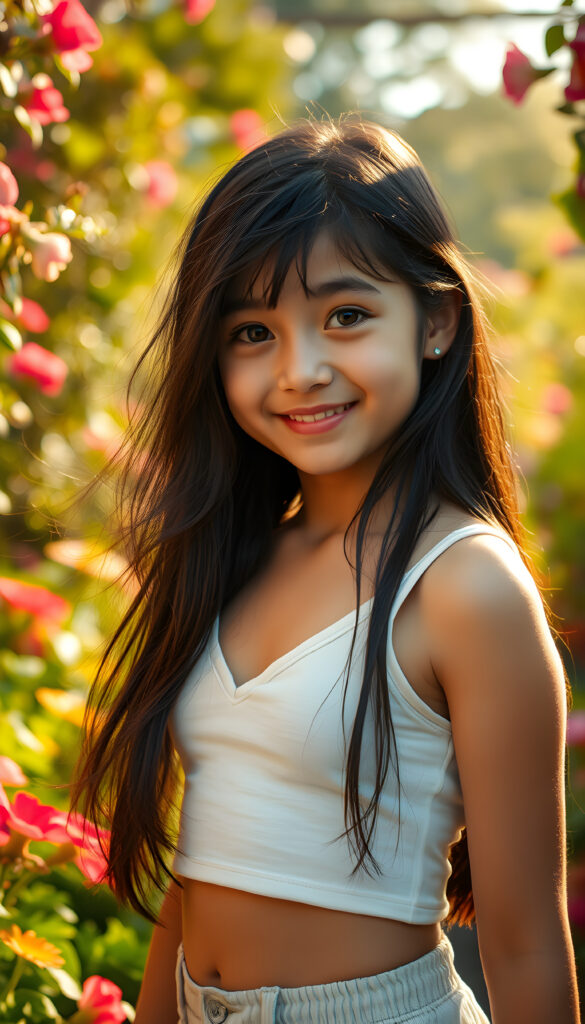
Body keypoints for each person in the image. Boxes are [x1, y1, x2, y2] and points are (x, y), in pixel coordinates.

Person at [71, 115, 580, 1024]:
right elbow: (201, 872)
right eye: (252, 332)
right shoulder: (239, 553)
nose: (300, 370)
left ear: (433, 322)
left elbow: (524, 942)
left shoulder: (462, 587)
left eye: (345, 316)